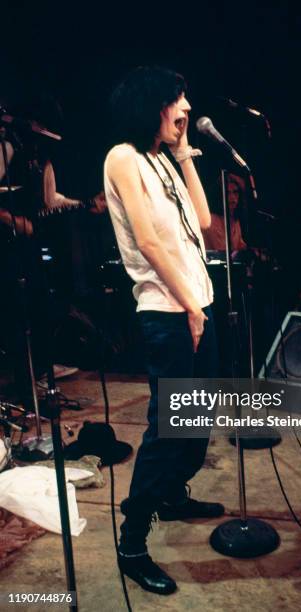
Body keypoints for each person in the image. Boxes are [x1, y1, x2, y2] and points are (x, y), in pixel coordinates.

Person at [104, 66, 223, 595]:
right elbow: (150, 243)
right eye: (179, 99)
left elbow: (201, 221)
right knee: (166, 428)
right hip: (166, 312)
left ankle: (173, 495)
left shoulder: (160, 159)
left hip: (196, 304)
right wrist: (188, 308)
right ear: (152, 102)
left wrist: (182, 157)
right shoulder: (123, 157)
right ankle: (132, 544)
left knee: (198, 418)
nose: (187, 109)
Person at [204, 172, 247, 252]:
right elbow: (223, 252)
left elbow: (240, 245)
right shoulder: (212, 220)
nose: (232, 197)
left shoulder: (234, 219)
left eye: (235, 192)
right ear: (220, 196)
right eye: (228, 193)